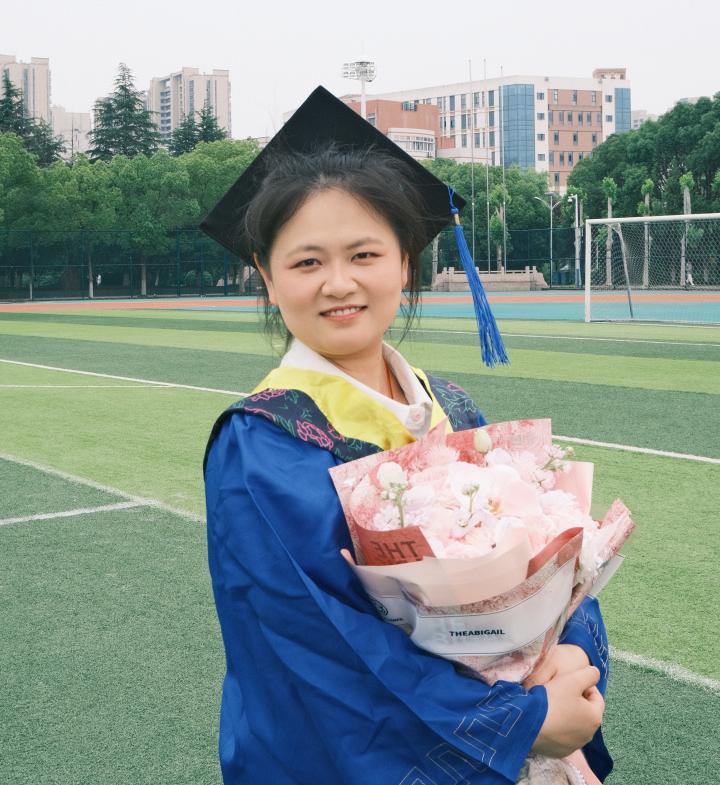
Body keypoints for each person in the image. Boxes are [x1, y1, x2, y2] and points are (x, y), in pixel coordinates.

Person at [201, 87, 611, 785]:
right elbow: (322, 653)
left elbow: (548, 558)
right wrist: (516, 722)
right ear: (267, 276)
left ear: (405, 264)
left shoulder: (451, 406)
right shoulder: (262, 444)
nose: (339, 283)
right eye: (306, 262)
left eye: (364, 253)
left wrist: (567, 657)